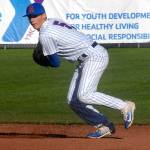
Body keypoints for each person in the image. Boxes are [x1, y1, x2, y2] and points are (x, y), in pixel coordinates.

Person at [24, 3, 136, 138]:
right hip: (87, 57)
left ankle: (124, 106)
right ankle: (104, 125)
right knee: (73, 101)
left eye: (35, 16)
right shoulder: (53, 21)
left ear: (43, 15)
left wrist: (45, 60)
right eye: (30, 17)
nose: (32, 20)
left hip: (94, 57)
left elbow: (55, 63)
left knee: (84, 95)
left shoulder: (45, 34)